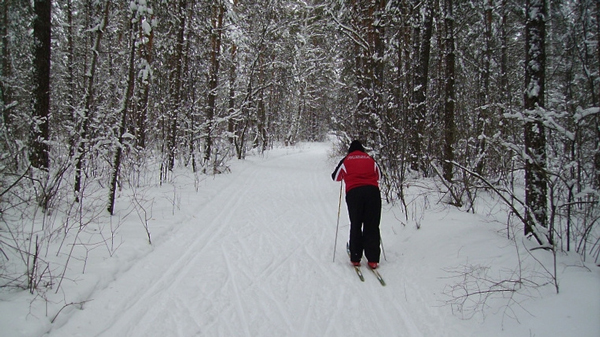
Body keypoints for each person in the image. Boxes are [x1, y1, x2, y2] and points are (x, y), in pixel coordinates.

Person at [331, 140, 382, 269]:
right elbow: (379, 176)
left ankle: (355, 257)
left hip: (354, 194)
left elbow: (335, 177)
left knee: (356, 223)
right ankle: (373, 259)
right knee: (372, 224)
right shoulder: (370, 159)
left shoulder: (346, 160)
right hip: (372, 193)